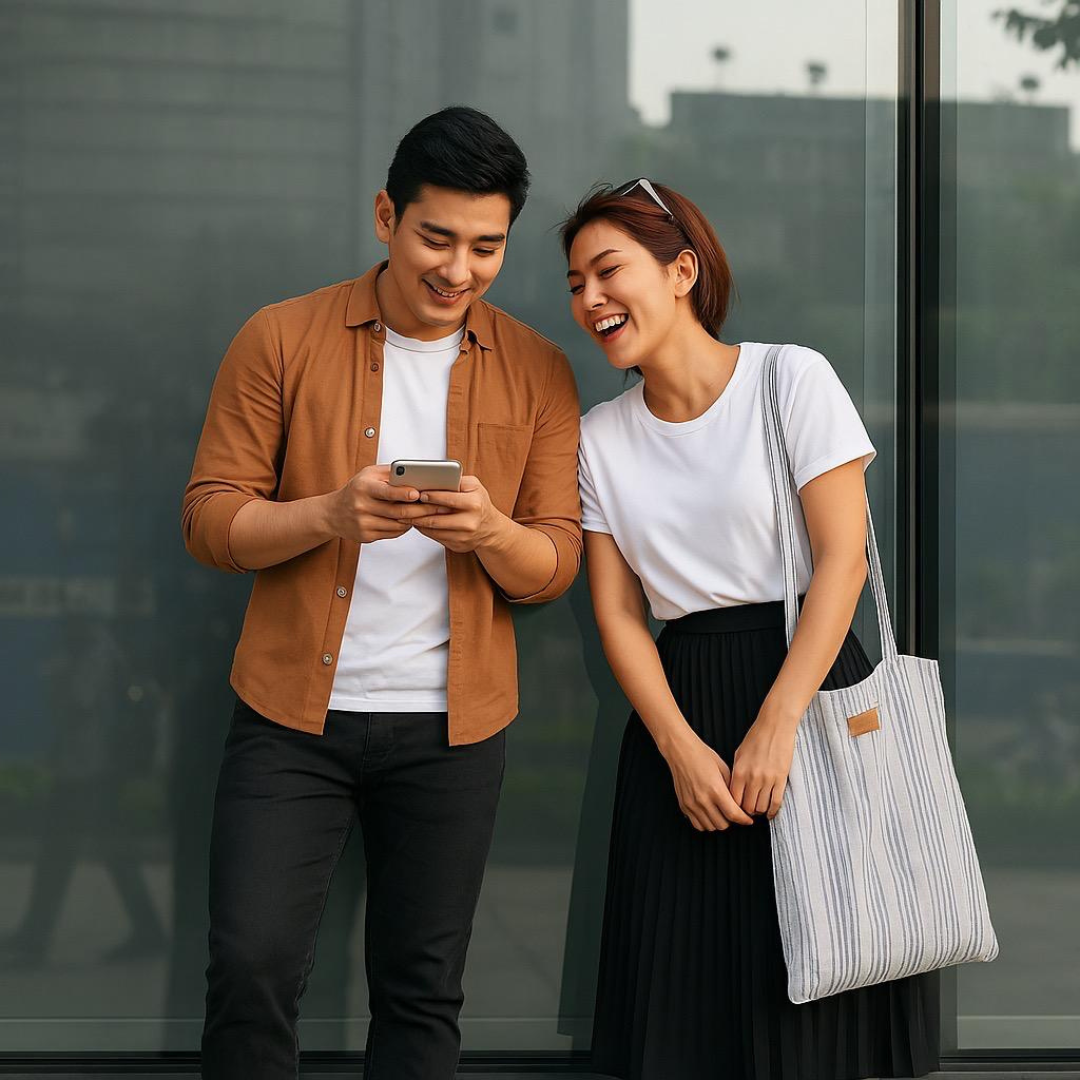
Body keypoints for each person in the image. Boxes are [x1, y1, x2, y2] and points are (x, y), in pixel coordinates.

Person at [181, 106, 582, 1080]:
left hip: (454, 731)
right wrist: (330, 516)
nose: (458, 269)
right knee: (251, 968)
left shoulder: (536, 370)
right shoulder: (280, 338)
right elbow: (209, 521)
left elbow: (555, 565)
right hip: (290, 719)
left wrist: (489, 531)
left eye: (486, 247)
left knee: (421, 990)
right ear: (385, 218)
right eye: (436, 237)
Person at [561, 178, 939, 1080]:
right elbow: (616, 611)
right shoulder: (598, 437)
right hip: (677, 710)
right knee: (684, 999)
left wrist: (777, 725)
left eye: (608, 271)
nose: (590, 301)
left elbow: (843, 563)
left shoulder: (789, 377)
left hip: (806, 684)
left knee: (821, 975)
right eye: (574, 285)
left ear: (682, 269)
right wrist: (681, 751)